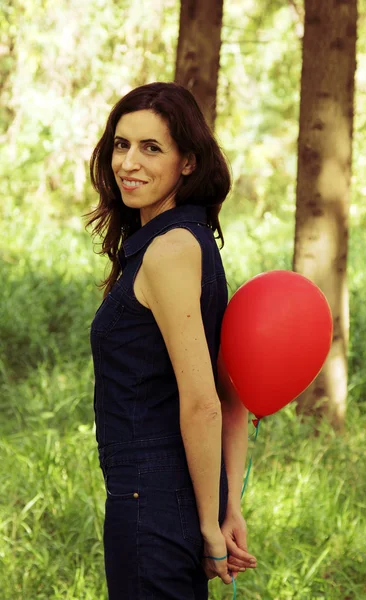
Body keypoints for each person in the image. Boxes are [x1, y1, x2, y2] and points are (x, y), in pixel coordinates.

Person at [86, 81, 257, 599]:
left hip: (154, 501)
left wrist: (211, 522)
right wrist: (227, 507)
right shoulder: (189, 238)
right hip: (173, 496)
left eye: (151, 147)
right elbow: (232, 398)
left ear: (187, 162)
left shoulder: (170, 250)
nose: (128, 163)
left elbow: (206, 401)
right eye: (121, 144)